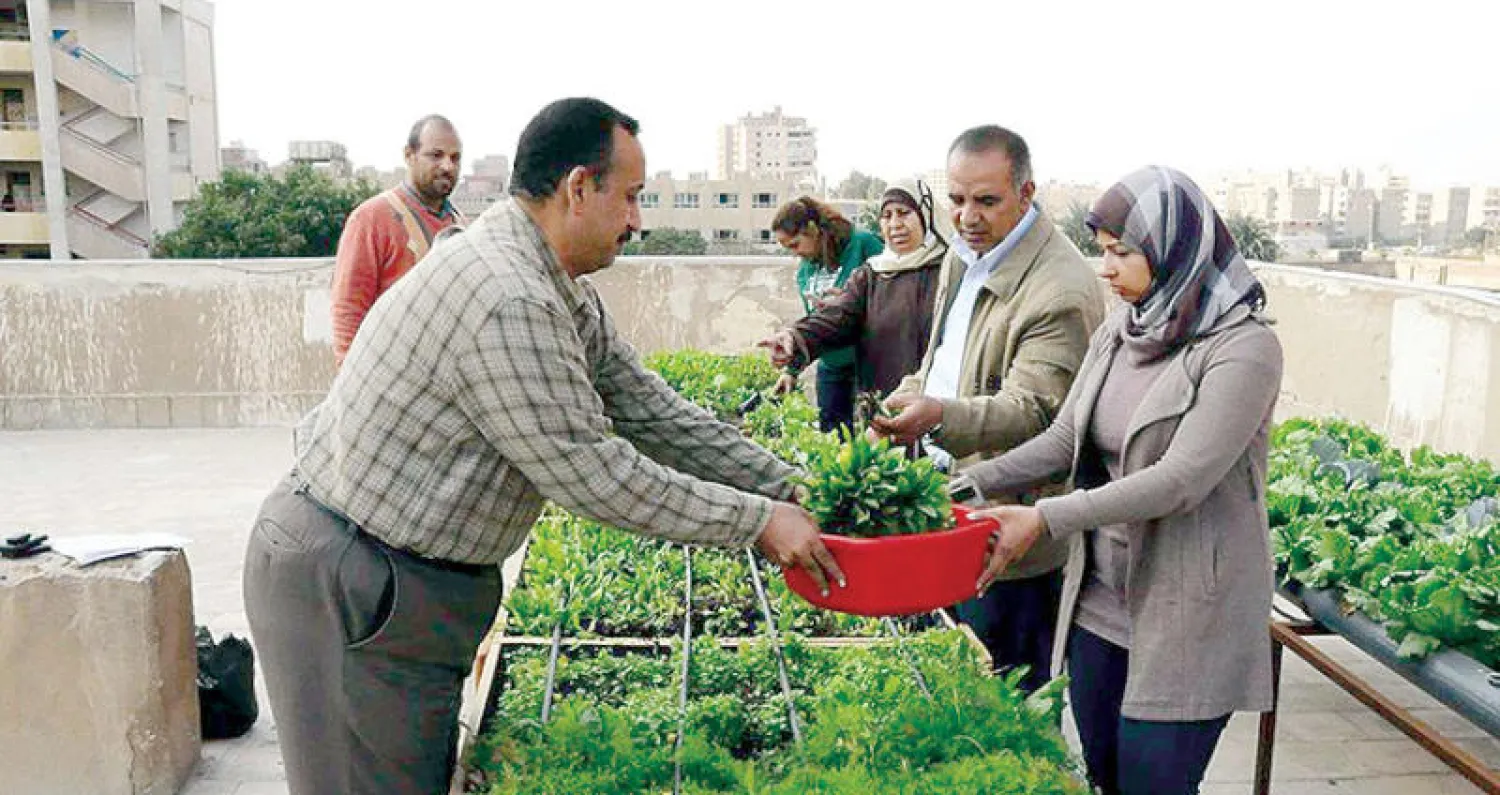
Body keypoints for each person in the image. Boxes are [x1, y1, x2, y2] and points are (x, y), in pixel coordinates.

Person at [243, 97, 845, 795]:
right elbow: (593, 471)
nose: (637, 220)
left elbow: (649, 409)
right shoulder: (508, 296)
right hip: (350, 578)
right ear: (579, 187)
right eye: (631, 197)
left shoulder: (549, 281)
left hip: (394, 575)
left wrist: (793, 488)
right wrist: (758, 521)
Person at [958, 165, 1282, 795]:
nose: (1106, 269)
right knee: (1103, 774)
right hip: (1100, 603)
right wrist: (960, 487)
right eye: (1103, 251)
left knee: (1154, 782)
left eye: (1122, 253)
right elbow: (1062, 441)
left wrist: (1045, 519)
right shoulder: (1120, 329)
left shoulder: (1242, 349)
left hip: (1190, 608)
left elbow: (1180, 480)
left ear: (1173, 252)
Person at [869, 126, 1105, 692]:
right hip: (949, 506)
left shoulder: (1060, 290)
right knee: (952, 688)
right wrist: (908, 395)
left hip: (1010, 539)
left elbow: (1036, 414)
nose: (967, 216)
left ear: (1026, 193)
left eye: (986, 200)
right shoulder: (964, 257)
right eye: (956, 200)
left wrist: (937, 416)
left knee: (1009, 703)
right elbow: (941, 359)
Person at [758, 181, 947, 402]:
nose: (895, 224)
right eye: (886, 216)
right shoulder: (873, 273)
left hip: (934, 399)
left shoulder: (950, 270)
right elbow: (837, 316)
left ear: (925, 215)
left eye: (904, 213)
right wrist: (794, 337)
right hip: (881, 396)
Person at [329, 114, 465, 367]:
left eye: (455, 158)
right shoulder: (371, 218)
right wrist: (352, 381)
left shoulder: (460, 225)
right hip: (386, 378)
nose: (447, 166)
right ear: (409, 155)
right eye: (435, 155)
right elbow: (348, 309)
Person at [771, 196, 885, 431]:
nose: (796, 254)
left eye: (795, 244)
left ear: (813, 230)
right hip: (832, 366)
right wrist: (791, 370)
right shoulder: (805, 271)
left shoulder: (862, 245)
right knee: (833, 441)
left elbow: (892, 293)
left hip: (868, 362)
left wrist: (848, 300)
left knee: (878, 436)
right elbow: (814, 326)